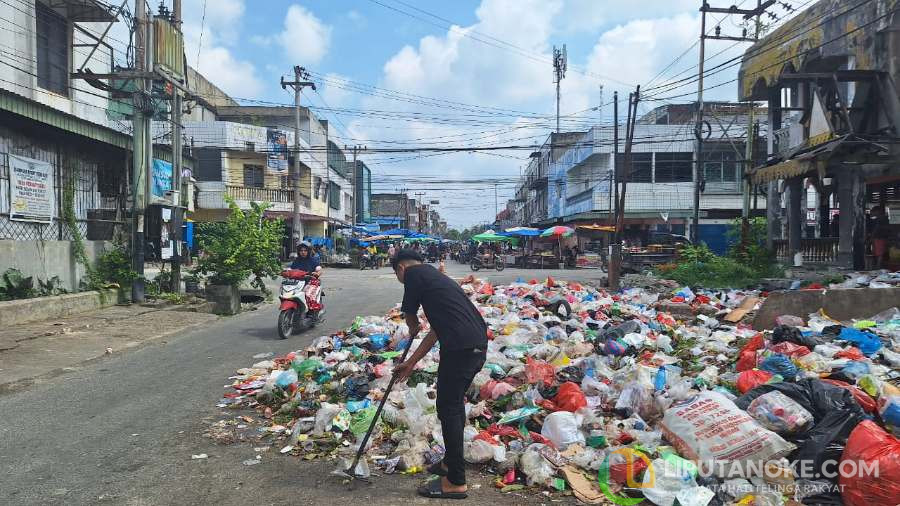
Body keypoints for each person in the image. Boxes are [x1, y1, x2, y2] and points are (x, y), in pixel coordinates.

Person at [391, 250, 487, 500]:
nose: (402, 280)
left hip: (462, 350)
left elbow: (410, 316)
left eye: (398, 276)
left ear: (401, 268)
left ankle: (456, 481)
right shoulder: (434, 278)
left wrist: (411, 323)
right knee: (452, 407)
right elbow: (435, 331)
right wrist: (411, 363)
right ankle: (449, 463)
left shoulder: (413, 274)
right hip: (473, 346)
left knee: (449, 408)